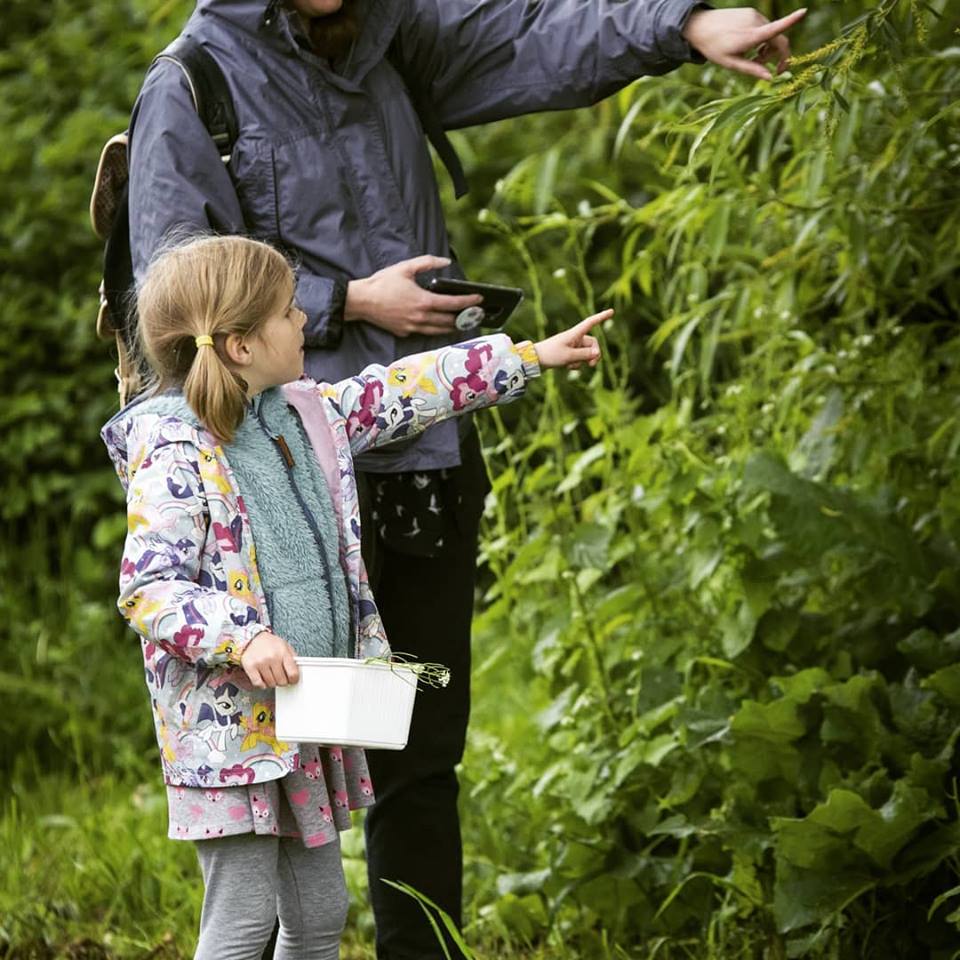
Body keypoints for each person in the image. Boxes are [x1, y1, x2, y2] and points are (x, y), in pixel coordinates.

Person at [125, 3, 807, 954]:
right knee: (272, 782)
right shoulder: (194, 85)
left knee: (411, 753)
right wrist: (348, 301)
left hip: (422, 463)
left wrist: (684, 23)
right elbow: (167, 295)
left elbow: (533, 35)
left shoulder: (398, 31)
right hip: (283, 496)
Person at [100, 233, 609, 960]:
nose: (304, 320)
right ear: (240, 344)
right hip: (231, 736)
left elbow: (404, 392)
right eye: (286, 311)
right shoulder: (176, 453)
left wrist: (524, 357)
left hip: (307, 717)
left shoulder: (304, 414)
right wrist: (243, 637)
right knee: (243, 923)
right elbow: (150, 587)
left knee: (318, 915)